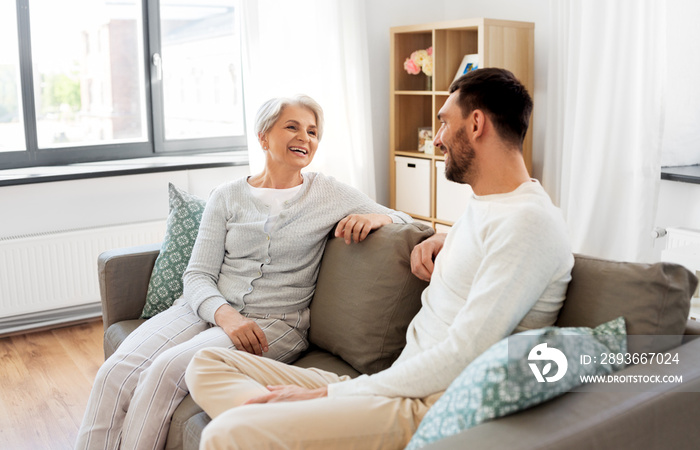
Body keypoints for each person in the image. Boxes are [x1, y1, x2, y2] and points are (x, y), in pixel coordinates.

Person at [184, 68, 575, 450]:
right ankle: (282, 430)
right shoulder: (489, 207)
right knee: (206, 364)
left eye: (443, 124)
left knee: (226, 434)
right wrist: (443, 236)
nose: (437, 139)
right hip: (397, 383)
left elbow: (463, 355)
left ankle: (270, 427)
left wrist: (327, 397)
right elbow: (481, 245)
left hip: (428, 404)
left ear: (475, 124)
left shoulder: (530, 224)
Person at [75, 95, 411, 450]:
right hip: (205, 309)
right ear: (263, 136)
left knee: (165, 372)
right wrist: (226, 316)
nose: (305, 138)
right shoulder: (227, 195)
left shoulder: (328, 192)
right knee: (116, 369)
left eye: (313, 132)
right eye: (292, 127)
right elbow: (197, 275)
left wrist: (378, 217)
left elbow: (406, 219)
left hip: (274, 323)